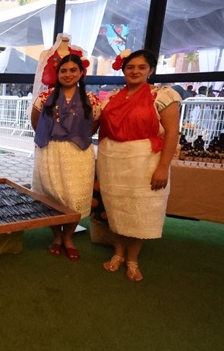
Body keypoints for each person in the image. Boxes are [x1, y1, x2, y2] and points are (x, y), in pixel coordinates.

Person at [98, 49, 181, 282]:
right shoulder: (112, 97)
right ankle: (118, 252)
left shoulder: (163, 95)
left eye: (141, 67)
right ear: (123, 70)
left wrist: (163, 167)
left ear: (150, 70)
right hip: (112, 161)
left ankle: (132, 258)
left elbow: (172, 133)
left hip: (146, 161)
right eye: (130, 67)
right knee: (116, 207)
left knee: (140, 210)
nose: (135, 71)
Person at [31, 54, 100, 261]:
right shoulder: (44, 97)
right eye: (63, 71)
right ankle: (57, 236)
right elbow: (36, 123)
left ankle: (68, 237)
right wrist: (55, 137)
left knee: (74, 197)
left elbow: (94, 126)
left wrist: (74, 136)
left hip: (78, 153)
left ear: (81, 73)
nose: (68, 74)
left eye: (72, 70)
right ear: (57, 73)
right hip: (50, 151)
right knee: (52, 195)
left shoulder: (92, 99)